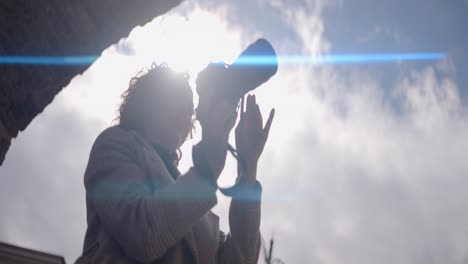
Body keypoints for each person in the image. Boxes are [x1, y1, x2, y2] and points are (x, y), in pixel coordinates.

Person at [75, 63, 275, 264]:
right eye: (176, 98)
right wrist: (208, 166)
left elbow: (241, 259)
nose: (186, 113)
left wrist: (248, 166)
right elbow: (143, 234)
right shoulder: (115, 143)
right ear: (149, 100)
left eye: (190, 109)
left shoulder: (194, 200)